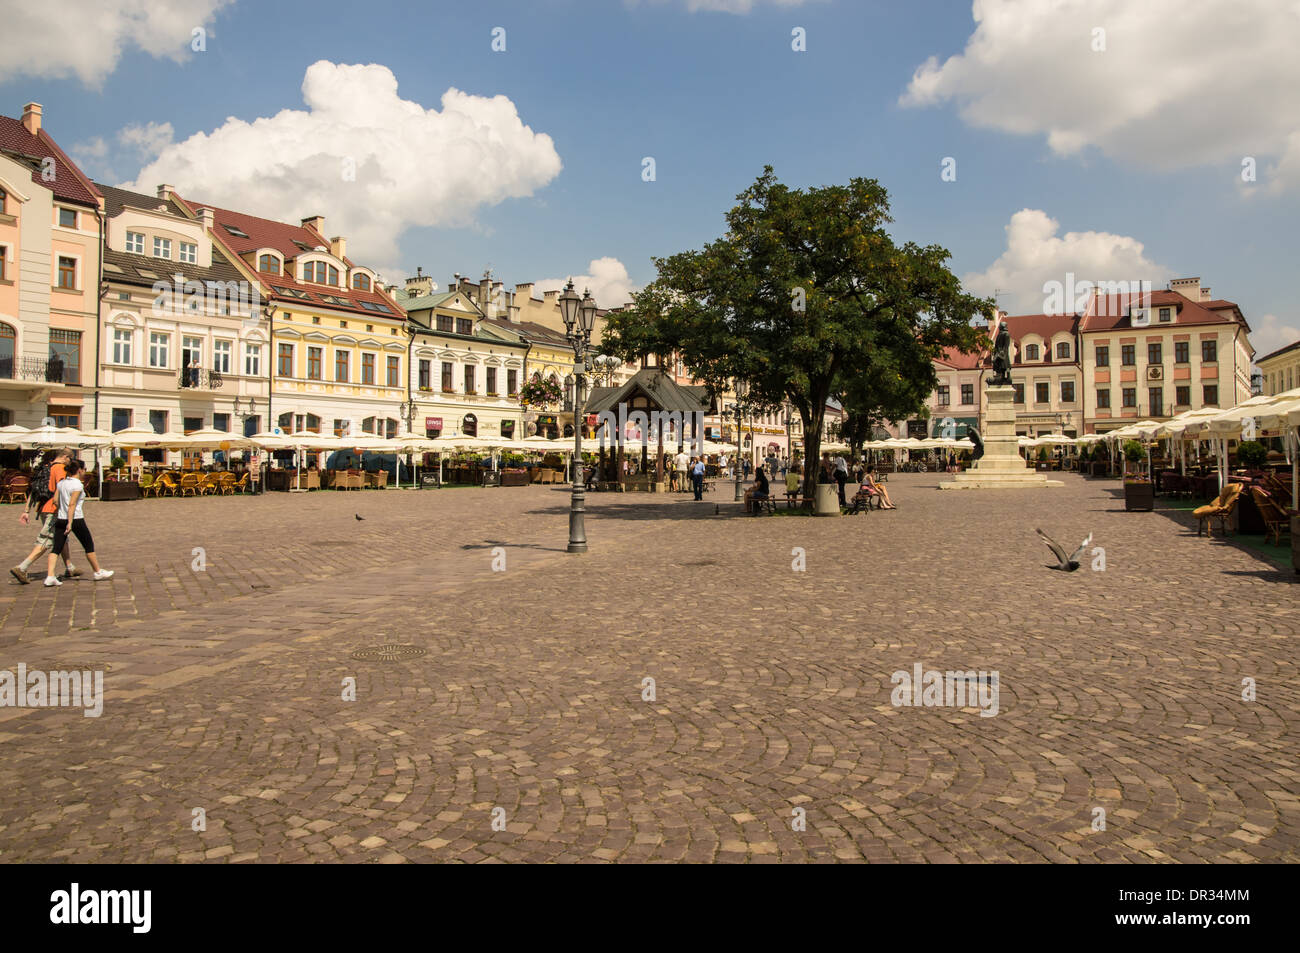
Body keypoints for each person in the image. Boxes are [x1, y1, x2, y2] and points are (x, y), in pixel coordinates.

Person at [11, 448, 78, 585]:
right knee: (46, 539)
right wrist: (65, 508)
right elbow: (61, 489)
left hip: (42, 508)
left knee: (61, 536)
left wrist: (27, 510)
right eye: (70, 460)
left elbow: (33, 490)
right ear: (65, 457)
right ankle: (22, 567)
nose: (70, 463)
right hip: (54, 509)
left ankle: (70, 567)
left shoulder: (45, 467)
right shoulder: (60, 468)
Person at [43, 459, 113, 587]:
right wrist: (70, 522)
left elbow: (55, 500)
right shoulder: (77, 485)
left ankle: (50, 576)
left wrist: (61, 512)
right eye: (84, 469)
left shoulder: (62, 483)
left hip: (61, 518)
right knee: (88, 544)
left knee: (56, 548)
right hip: (76, 519)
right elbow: (72, 504)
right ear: (79, 470)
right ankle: (97, 571)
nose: (85, 471)